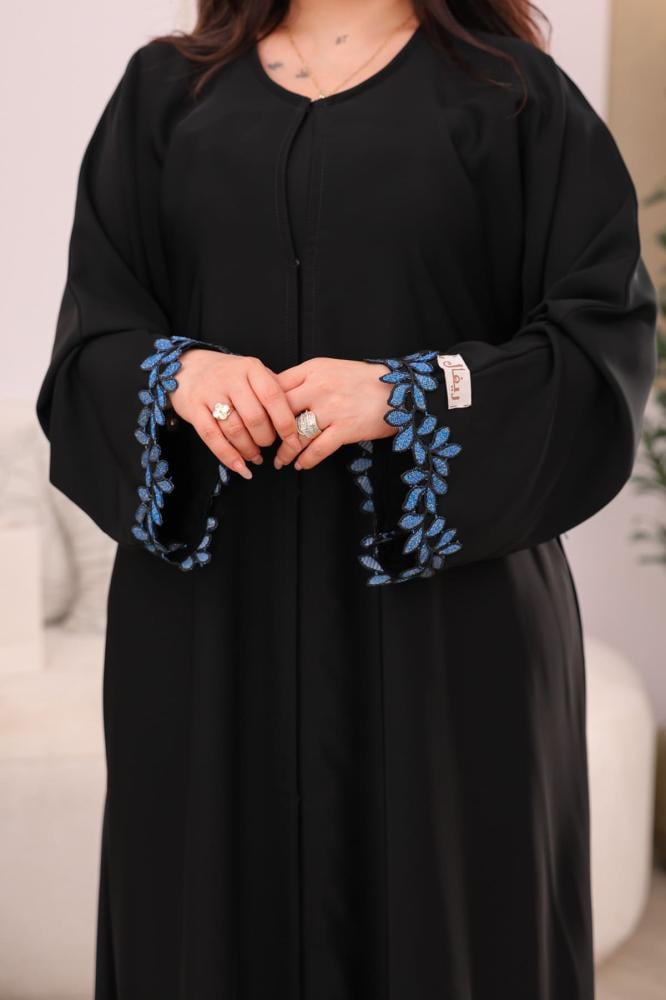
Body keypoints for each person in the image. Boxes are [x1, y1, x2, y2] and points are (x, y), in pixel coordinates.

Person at [35, 0, 658, 997]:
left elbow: (601, 348)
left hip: (449, 637)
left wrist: (410, 393)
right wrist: (177, 374)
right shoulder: (165, 96)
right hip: (212, 631)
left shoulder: (514, 99)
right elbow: (89, 345)